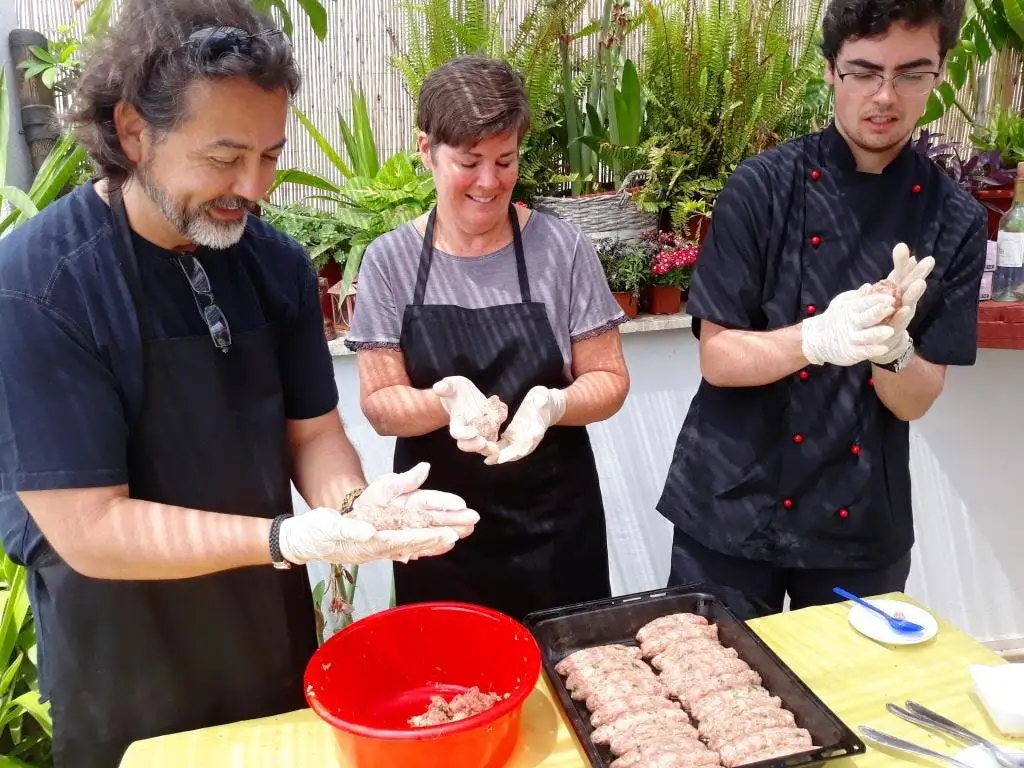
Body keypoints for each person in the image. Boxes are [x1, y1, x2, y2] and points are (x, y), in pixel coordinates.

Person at [0, 2, 480, 766]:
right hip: (126, 665)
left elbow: (313, 432)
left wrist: (353, 506)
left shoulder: (276, 264)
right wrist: (285, 537)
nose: (252, 186)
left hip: (266, 637)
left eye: (270, 154)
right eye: (224, 158)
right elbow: (88, 527)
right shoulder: (40, 286)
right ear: (133, 132)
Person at [656, 0, 986, 619]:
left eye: (912, 73)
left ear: (939, 73)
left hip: (858, 523)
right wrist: (817, 338)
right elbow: (719, 358)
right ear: (832, 70)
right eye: (864, 71)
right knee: (716, 696)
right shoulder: (761, 187)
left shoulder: (955, 219)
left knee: (844, 703)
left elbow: (915, 399)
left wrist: (893, 349)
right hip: (731, 501)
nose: (886, 96)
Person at [344, 56, 631, 621]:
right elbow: (380, 405)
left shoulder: (562, 250)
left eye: (505, 161)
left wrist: (554, 404)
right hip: (438, 535)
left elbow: (611, 380)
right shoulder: (391, 262)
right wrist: (444, 398)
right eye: (469, 162)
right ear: (426, 149)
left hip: (555, 533)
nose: (489, 181)